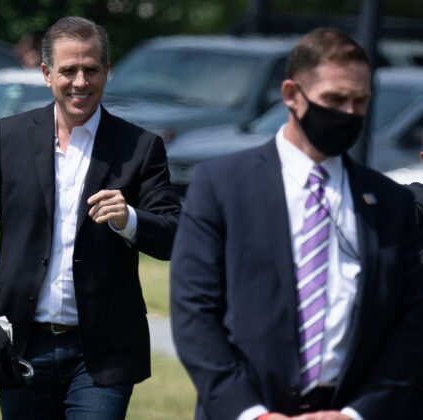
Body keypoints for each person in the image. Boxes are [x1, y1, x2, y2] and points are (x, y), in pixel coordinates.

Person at [170, 27, 423, 420]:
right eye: (334, 99)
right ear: (292, 95)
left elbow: (409, 325)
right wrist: (253, 414)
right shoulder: (222, 186)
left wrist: (356, 414)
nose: (349, 113)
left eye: (360, 101)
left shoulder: (389, 202)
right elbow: (194, 313)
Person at [0, 16, 179, 419]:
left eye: (91, 70)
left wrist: (131, 220)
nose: (80, 82)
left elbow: (173, 234)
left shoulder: (140, 147)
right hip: (20, 342)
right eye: (68, 70)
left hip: (102, 352)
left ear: (107, 72)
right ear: (46, 73)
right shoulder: (9, 137)